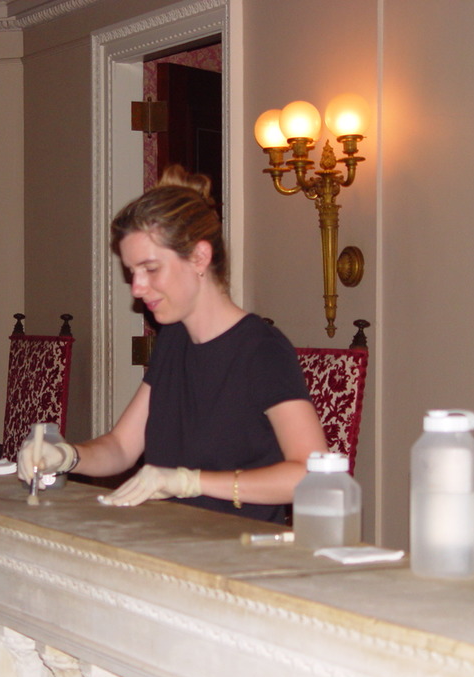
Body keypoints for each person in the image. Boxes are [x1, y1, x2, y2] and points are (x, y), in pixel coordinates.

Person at [17, 165, 327, 524]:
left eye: (150, 269)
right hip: (170, 541)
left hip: (237, 554)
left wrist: (190, 482)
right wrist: (67, 455)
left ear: (199, 257)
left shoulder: (261, 350)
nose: (136, 288)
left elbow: (311, 474)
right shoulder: (173, 341)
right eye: (132, 272)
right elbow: (121, 447)